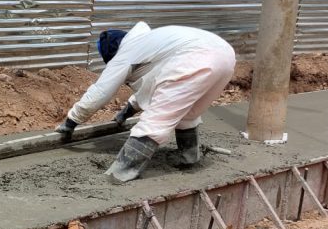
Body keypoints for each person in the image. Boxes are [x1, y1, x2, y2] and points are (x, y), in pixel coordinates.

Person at [56, 23, 236, 182]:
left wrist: (71, 121)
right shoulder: (147, 44)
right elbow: (151, 84)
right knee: (187, 112)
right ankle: (188, 155)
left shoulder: (125, 54)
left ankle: (121, 172)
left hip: (195, 58)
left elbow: (100, 92)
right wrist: (126, 112)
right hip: (225, 56)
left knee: (156, 119)